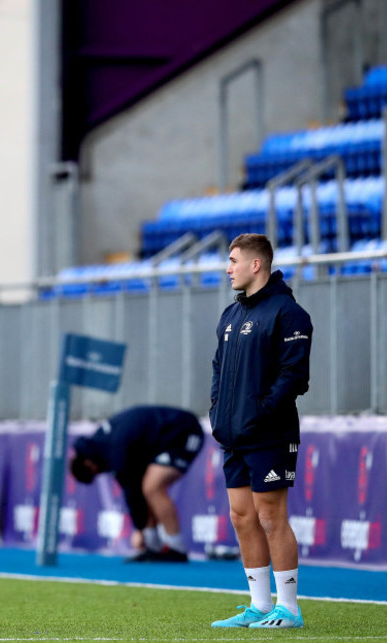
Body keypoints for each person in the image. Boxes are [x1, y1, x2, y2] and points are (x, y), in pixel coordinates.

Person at [208, 233, 312, 629]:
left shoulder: (288, 313)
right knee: (241, 517)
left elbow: (295, 377)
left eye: (233, 260)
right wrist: (218, 411)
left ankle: (289, 608)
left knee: (271, 516)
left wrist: (262, 412)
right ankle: (260, 605)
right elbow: (218, 369)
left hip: (270, 432)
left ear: (256, 265)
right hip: (233, 434)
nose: (228, 268)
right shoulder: (231, 315)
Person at [70, 405, 204, 562]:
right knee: (146, 488)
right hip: (163, 438)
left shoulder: (114, 450)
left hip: (183, 430)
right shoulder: (101, 444)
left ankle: (176, 547)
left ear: (89, 464)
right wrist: (143, 530)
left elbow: (131, 491)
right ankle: (153, 545)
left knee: (153, 487)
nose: (101, 472)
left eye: (96, 472)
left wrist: (140, 530)